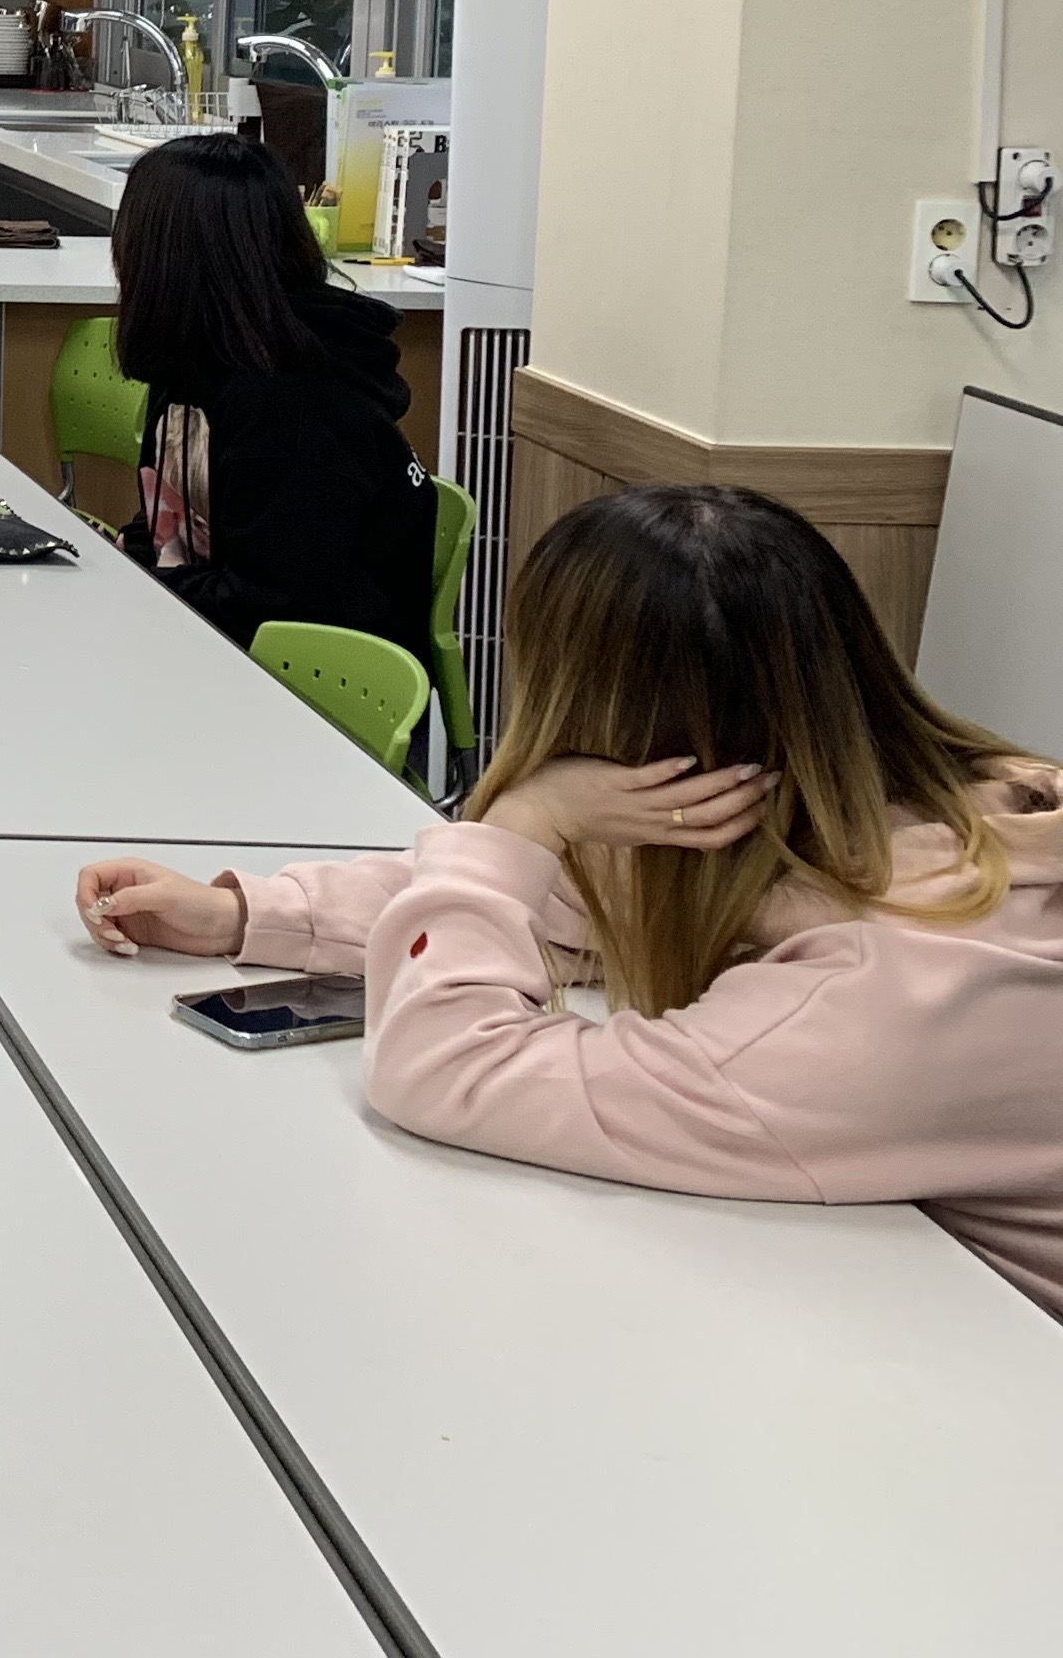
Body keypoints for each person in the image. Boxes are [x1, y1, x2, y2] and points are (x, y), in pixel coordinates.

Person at [73, 484, 1063, 1317]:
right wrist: (254, 917)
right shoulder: (928, 812)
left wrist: (527, 818)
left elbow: (444, 1067)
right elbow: (587, 897)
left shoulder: (877, 996)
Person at [107, 130, 432, 648]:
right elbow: (170, 523)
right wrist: (134, 559)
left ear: (167, 261)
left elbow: (271, 606)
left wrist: (141, 583)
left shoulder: (294, 406)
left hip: (305, 678)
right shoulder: (197, 361)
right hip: (211, 644)